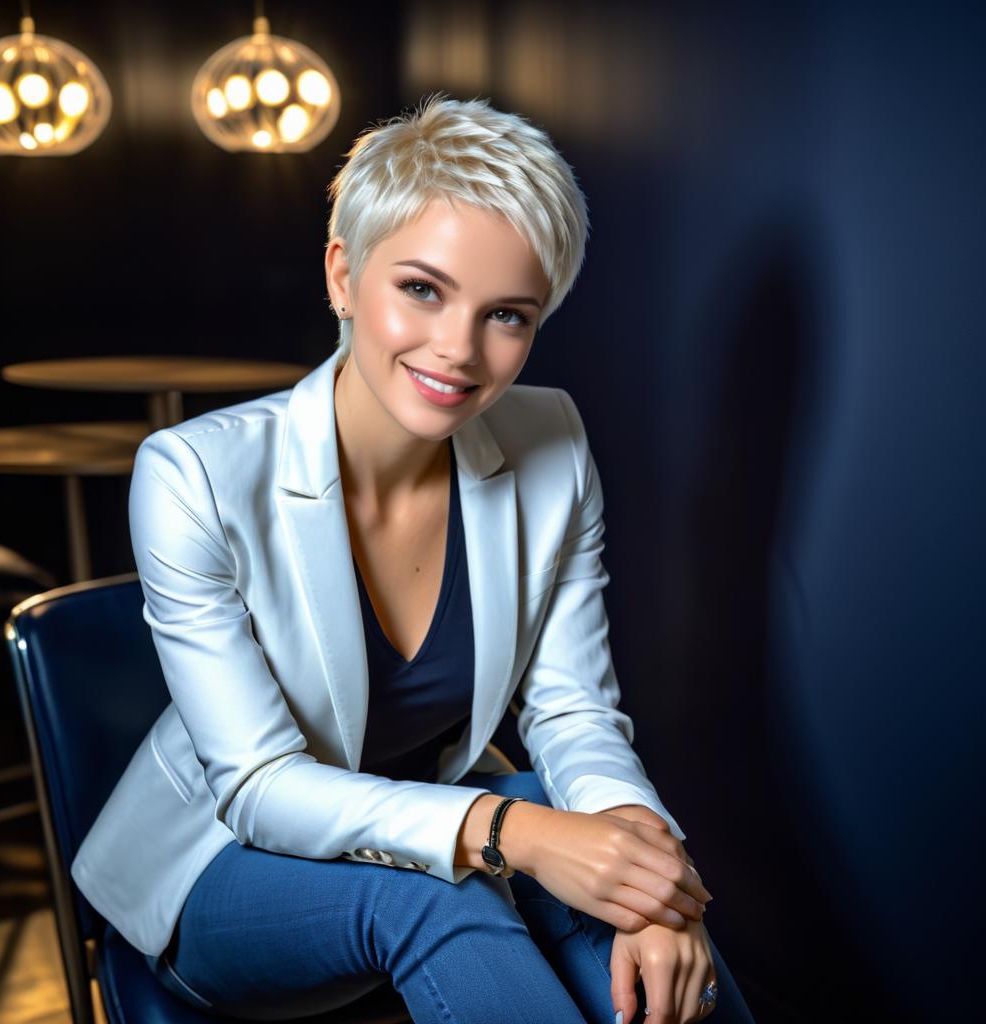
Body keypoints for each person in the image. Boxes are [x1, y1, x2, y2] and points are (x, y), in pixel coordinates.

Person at [70, 92, 757, 1024]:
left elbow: (572, 710)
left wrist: (650, 874)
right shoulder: (194, 474)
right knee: (443, 884)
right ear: (344, 274)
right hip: (221, 868)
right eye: (423, 289)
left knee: (610, 854)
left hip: (421, 811)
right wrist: (507, 829)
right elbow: (259, 786)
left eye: (507, 314)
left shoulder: (551, 439)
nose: (459, 349)